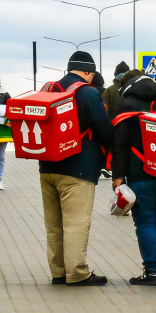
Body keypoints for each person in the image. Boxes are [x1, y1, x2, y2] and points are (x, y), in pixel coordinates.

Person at [39, 51, 113, 286]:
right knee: (75, 224)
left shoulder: (50, 89)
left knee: (54, 226)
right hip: (78, 169)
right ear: (88, 72)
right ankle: (78, 273)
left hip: (47, 166)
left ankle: (59, 272)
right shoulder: (89, 93)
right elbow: (104, 130)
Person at [112, 71, 156, 286]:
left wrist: (118, 177)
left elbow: (120, 145)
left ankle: (152, 271)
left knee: (145, 222)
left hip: (143, 172)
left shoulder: (127, 105)